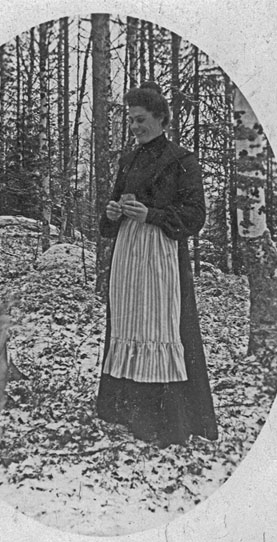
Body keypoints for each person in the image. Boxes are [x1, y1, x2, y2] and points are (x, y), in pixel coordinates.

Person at [96, 81, 218, 448]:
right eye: (131, 120)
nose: (134, 126)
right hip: (127, 255)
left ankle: (165, 423)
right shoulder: (128, 160)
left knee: (160, 327)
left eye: (141, 119)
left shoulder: (182, 160)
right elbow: (110, 215)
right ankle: (124, 410)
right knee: (128, 323)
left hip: (162, 256)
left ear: (162, 118)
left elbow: (195, 215)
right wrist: (112, 212)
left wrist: (151, 214)